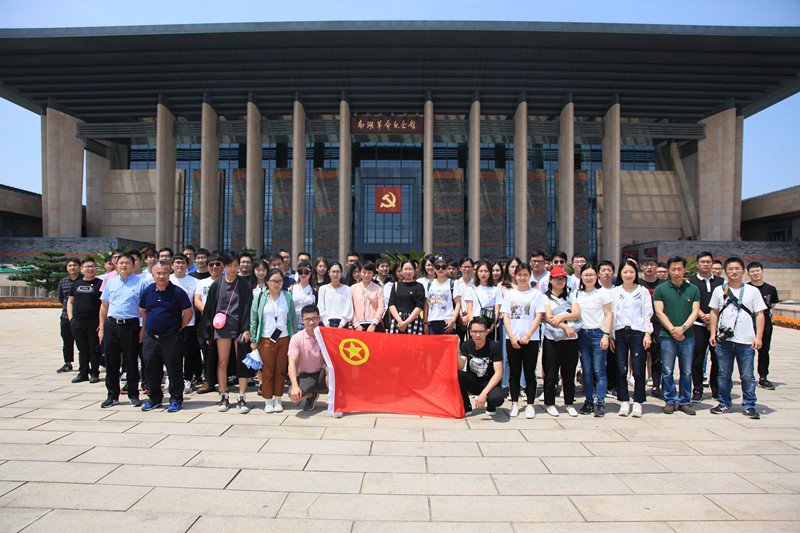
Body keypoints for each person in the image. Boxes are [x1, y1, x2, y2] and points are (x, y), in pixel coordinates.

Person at [709, 257, 767, 420]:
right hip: (724, 342)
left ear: (743, 271)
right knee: (723, 374)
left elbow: (760, 314)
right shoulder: (719, 290)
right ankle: (724, 402)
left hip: (746, 341)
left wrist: (758, 337)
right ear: (725, 272)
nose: (734, 272)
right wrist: (713, 334)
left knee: (747, 375)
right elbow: (714, 312)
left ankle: (749, 405)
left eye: (737, 269)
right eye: (730, 269)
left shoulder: (752, 291)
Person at [202, 251, 253, 413]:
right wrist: (208, 333)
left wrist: (246, 329)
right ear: (224, 266)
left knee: (242, 361)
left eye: (236, 266)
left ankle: (242, 396)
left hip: (239, 328)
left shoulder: (243, 285)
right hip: (221, 328)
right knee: (222, 362)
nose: (233, 269)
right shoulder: (217, 285)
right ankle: (223, 395)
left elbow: (248, 308)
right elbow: (209, 309)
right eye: (230, 265)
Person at [139, 261, 193, 412]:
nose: (161, 276)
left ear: (169, 274)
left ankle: (175, 399)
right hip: (151, 337)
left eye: (164, 273)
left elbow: (188, 313)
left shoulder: (177, 292)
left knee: (174, 369)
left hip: (171, 337)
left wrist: (177, 328)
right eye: (158, 273)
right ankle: (154, 398)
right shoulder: (148, 291)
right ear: (153, 274)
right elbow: (143, 310)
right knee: (151, 369)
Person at [98, 253, 149, 408]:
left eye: (127, 263)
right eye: (121, 263)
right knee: (111, 362)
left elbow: (146, 309)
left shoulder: (141, 284)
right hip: (112, 325)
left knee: (131, 361)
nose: (124, 266)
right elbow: (104, 306)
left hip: (131, 326)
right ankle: (112, 395)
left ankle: (133, 394)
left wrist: (143, 330)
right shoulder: (111, 282)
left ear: (133, 265)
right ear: (116, 265)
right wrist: (102, 327)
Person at [653, 256, 701, 415]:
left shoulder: (692, 289)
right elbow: (659, 312)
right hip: (667, 336)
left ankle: (685, 401)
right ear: (668, 270)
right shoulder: (661, 289)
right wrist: (673, 330)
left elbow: (695, 312)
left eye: (679, 269)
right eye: (673, 269)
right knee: (667, 370)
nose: (676, 272)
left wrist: (683, 328)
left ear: (684, 270)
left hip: (688, 336)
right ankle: (670, 400)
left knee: (686, 371)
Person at [501, 263, 545, 418]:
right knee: (514, 373)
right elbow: (506, 317)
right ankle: (514, 403)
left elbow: (538, 316)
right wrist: (512, 336)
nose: (522, 278)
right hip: (512, 339)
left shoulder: (536, 294)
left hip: (531, 340)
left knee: (529, 373)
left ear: (530, 276)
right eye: (519, 274)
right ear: (515, 276)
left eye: (525, 274)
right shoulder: (510, 295)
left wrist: (528, 335)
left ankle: (530, 405)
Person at [250, 268, 297, 413]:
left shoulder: (287, 296)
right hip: (266, 339)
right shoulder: (260, 297)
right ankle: (268, 399)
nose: (277, 284)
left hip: (284, 338)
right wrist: (253, 339)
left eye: (279, 281)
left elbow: (293, 319)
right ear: (267, 282)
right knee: (268, 370)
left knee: (281, 370)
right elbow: (254, 319)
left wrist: (294, 338)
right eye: (273, 281)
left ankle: (278, 398)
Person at [611, 260, 654, 417]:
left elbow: (648, 313)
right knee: (621, 368)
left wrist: (648, 334)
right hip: (619, 333)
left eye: (631, 272)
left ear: (636, 273)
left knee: (638, 369)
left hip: (638, 333)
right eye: (625, 272)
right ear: (620, 274)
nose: (628, 275)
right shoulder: (615, 292)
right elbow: (611, 314)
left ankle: (638, 402)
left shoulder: (642, 291)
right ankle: (624, 401)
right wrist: (610, 335)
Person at [575, 263, 613, 417]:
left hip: (598, 334)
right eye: (586, 275)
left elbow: (608, 314)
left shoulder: (602, 293)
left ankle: (600, 401)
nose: (589, 278)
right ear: (581, 277)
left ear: (597, 276)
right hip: (583, 335)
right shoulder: (577, 294)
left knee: (599, 370)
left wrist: (606, 335)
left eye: (591, 275)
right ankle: (589, 401)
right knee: (587, 371)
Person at [542, 266, 580, 417]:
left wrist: (561, 317)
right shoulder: (545, 297)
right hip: (553, 339)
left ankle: (569, 403)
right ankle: (550, 403)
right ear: (550, 280)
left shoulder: (571, 296)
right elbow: (548, 317)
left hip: (571, 340)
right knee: (551, 373)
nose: (560, 281)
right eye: (557, 278)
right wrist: (565, 326)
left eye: (562, 278)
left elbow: (576, 314)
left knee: (569, 373)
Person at [688, 251, 724, 402]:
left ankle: (716, 389)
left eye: (708, 262)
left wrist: (713, 317)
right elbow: (690, 302)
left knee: (718, 359)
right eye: (702, 262)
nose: (705, 264)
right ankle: (697, 389)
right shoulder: (691, 282)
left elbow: (724, 302)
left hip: (718, 326)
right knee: (697, 359)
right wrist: (703, 316)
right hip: (698, 325)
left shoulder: (721, 282)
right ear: (697, 264)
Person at [458, 317, 504, 416]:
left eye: (481, 331)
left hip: (489, 383)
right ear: (470, 332)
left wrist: (484, 393)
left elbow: (499, 373)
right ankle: (466, 405)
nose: (478, 335)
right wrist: (457, 350)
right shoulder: (467, 345)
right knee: (458, 375)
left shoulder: (494, 346)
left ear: (486, 332)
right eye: (475, 332)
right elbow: (460, 367)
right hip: (474, 382)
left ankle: (491, 405)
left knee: (497, 398)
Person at [66, 257, 102, 383]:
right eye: (87, 267)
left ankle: (94, 373)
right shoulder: (76, 284)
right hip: (78, 322)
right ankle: (83, 373)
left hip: (94, 321)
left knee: (94, 348)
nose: (90, 269)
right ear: (82, 269)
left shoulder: (100, 284)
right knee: (82, 349)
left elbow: (104, 304)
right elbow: (70, 301)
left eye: (92, 266)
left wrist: (101, 323)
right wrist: (71, 319)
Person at [288, 304, 329, 411]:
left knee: (330, 368)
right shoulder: (296, 338)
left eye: (314, 318)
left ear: (319, 319)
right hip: (306, 375)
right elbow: (292, 362)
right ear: (302, 320)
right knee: (294, 397)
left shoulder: (327, 336)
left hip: (323, 373)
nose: (311, 322)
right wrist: (295, 386)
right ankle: (311, 395)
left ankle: (334, 400)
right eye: (307, 319)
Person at [170, 253, 201, 392]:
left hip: (189, 322)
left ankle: (188, 378)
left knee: (188, 353)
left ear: (187, 265)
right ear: (172, 265)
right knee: (172, 353)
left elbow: (196, 302)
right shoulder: (167, 279)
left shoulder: (194, 281)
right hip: (171, 323)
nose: (180, 265)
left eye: (183, 263)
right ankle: (172, 379)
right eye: (177, 263)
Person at [194, 251, 224, 394]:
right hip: (206, 322)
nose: (214, 267)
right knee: (206, 353)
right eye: (211, 265)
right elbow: (197, 300)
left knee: (222, 354)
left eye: (218, 264)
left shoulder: (227, 281)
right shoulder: (202, 282)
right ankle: (208, 380)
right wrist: (209, 313)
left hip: (224, 323)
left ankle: (224, 380)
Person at [747, 261, 779, 390]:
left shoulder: (771, 289)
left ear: (762, 271)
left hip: (765, 324)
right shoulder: (746, 288)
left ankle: (763, 377)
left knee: (764, 351)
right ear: (748, 274)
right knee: (747, 352)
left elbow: (772, 306)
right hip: (749, 324)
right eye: (752, 271)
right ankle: (748, 376)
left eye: (757, 270)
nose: (755, 273)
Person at [639, 255, 665, 399]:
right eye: (646, 265)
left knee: (657, 357)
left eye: (652, 264)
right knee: (640, 357)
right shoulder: (638, 284)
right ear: (641, 267)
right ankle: (639, 386)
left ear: (656, 267)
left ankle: (656, 385)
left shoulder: (663, 285)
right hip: (641, 325)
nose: (649, 268)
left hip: (658, 325)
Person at [56, 257, 82, 373]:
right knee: (67, 340)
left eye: (75, 265)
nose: (72, 268)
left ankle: (85, 364)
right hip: (66, 316)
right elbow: (61, 298)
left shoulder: (84, 280)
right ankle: (67, 363)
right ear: (67, 268)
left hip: (81, 316)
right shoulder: (63, 281)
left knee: (83, 342)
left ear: (80, 267)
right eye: (70, 265)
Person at [388, 259, 426, 334]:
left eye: (410, 269)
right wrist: (400, 321)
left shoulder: (419, 286)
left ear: (415, 270)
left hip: (413, 320)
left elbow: (419, 306)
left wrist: (406, 322)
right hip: (397, 321)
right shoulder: (396, 285)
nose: (408, 272)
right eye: (405, 269)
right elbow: (391, 304)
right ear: (401, 270)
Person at [423, 256, 459, 335]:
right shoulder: (429, 284)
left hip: (447, 322)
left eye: (443, 267)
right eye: (437, 267)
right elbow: (426, 304)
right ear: (434, 268)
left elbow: (458, 303)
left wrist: (453, 320)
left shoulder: (453, 283)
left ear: (447, 268)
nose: (440, 269)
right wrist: (425, 322)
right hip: (432, 322)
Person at [469, 260, 502, 338]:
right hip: (475, 321)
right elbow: (469, 309)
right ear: (477, 273)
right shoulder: (471, 289)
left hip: (489, 322)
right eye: (481, 271)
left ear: (490, 273)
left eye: (486, 271)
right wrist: (472, 325)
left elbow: (497, 310)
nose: (483, 274)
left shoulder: (496, 290)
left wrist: (492, 326)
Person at [351, 262, 386, 332]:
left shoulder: (378, 289)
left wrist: (374, 324)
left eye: (369, 273)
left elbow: (381, 307)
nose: (366, 275)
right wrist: (356, 324)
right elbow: (351, 307)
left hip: (374, 324)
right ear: (360, 273)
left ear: (373, 274)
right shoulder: (353, 288)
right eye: (364, 272)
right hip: (358, 325)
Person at [318, 262, 354, 328]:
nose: (335, 274)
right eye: (333, 272)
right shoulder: (323, 289)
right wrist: (327, 324)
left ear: (342, 273)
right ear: (329, 273)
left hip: (342, 324)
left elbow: (348, 308)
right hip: (326, 323)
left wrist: (341, 325)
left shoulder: (347, 289)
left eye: (338, 272)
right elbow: (320, 308)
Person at [290, 260, 317, 331]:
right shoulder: (292, 288)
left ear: (310, 273)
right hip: (295, 319)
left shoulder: (314, 289)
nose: (303, 274)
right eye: (300, 272)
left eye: (306, 272)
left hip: (309, 319)